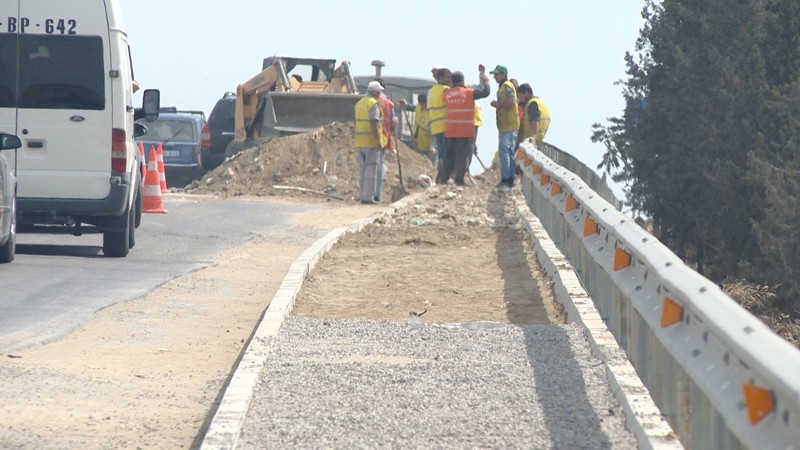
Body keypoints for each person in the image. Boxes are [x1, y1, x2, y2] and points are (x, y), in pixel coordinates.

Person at [439, 69, 490, 186]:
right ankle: (459, 180)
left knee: (449, 155)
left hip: (451, 129)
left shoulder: (446, 94)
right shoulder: (469, 93)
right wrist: (486, 82)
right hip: (465, 130)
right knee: (462, 155)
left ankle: (444, 178)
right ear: (462, 80)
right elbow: (485, 93)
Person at [354, 81, 388, 204]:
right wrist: (378, 140)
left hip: (360, 140)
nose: (380, 93)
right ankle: (368, 197)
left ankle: (363, 195)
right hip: (370, 141)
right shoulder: (373, 104)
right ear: (376, 92)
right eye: (380, 91)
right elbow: (373, 122)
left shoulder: (360, 103)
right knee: (371, 169)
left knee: (362, 170)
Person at [489, 64, 520, 190]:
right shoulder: (503, 86)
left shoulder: (506, 86)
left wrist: (498, 104)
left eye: (497, 74)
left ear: (503, 74)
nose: (495, 77)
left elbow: (512, 101)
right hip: (506, 124)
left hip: (508, 124)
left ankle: (506, 179)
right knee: (509, 152)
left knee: (505, 152)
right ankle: (510, 177)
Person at [373, 78, 396, 202]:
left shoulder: (369, 101)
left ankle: (367, 193)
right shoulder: (388, 102)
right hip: (383, 136)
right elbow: (393, 121)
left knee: (369, 165)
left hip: (369, 136)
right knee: (380, 164)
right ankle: (377, 194)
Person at [426, 68, 451, 173]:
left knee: (441, 150)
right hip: (444, 124)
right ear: (440, 78)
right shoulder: (445, 90)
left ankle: (441, 171)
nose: (449, 80)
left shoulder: (431, 91)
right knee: (446, 150)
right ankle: (445, 172)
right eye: (447, 77)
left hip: (435, 125)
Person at [516, 83, 551, 148]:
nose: (519, 98)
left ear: (526, 93)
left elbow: (534, 120)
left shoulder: (532, 104)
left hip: (530, 140)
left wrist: (534, 136)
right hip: (538, 139)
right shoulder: (541, 104)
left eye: (520, 95)